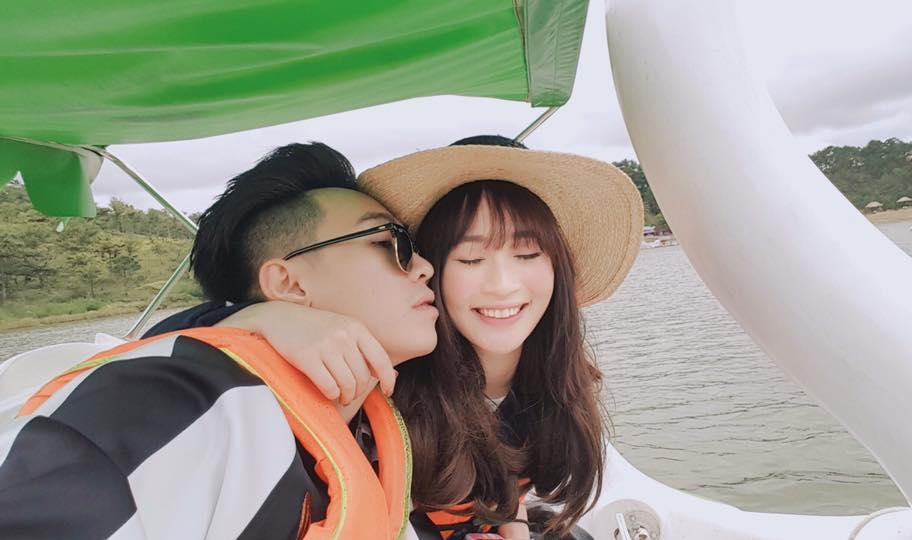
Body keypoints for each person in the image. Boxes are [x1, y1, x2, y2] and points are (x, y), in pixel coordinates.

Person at [148, 136, 644, 539]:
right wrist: (261, 318)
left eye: (528, 254)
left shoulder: (556, 373)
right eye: (470, 259)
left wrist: (512, 527)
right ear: (435, 269)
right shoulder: (390, 372)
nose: (502, 284)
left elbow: (508, 477)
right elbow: (164, 349)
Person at [0, 142, 439, 539]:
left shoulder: (371, 426)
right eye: (388, 242)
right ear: (288, 283)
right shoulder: (172, 402)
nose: (424, 267)